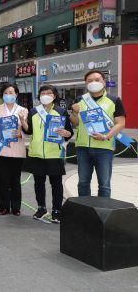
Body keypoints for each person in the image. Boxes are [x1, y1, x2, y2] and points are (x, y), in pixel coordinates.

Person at [70, 70, 126, 198]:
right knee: (83, 183)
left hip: (104, 148)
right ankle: (85, 211)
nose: (93, 82)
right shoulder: (80, 100)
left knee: (104, 185)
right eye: (89, 81)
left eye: (97, 80)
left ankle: (103, 214)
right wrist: (74, 113)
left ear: (104, 82)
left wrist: (106, 136)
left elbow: (121, 123)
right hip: (83, 148)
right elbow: (75, 124)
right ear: (85, 84)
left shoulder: (114, 100)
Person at [23, 85, 73, 223]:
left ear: (54, 96)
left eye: (49, 93)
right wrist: (22, 121)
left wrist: (66, 133)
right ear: (39, 96)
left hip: (54, 154)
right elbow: (29, 131)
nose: (45, 95)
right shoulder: (33, 111)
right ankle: (41, 208)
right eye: (43, 93)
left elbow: (69, 133)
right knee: (38, 183)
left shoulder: (61, 112)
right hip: (37, 153)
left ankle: (57, 210)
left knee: (56, 184)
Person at [0, 84, 29, 216]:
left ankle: (16, 207)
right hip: (2, 148)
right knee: (3, 179)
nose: (9, 95)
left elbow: (28, 130)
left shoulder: (23, 110)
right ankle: (4, 206)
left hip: (18, 148)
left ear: (16, 94)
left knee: (16, 180)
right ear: (3, 95)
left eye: (11, 92)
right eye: (6, 92)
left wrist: (21, 133)